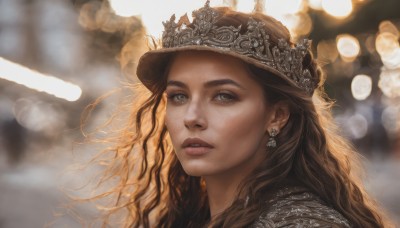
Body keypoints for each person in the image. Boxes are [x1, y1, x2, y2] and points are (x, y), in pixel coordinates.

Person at [86, 1, 392, 227]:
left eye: (223, 96)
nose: (191, 117)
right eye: (178, 96)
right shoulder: (191, 216)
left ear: (277, 116)